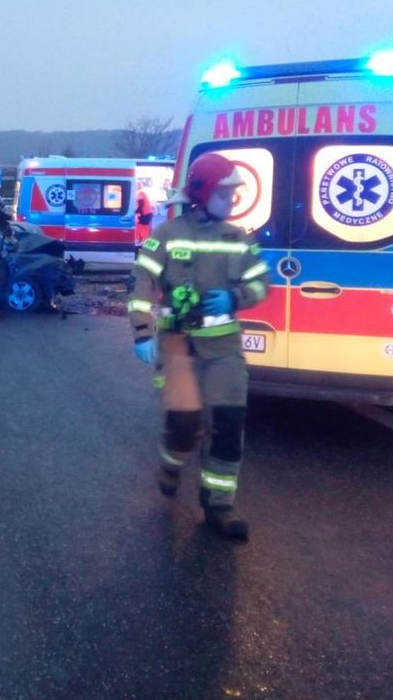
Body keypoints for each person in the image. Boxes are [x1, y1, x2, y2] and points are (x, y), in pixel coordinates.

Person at [127, 152, 270, 540]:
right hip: (179, 347)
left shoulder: (239, 239)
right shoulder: (168, 235)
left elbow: (262, 284)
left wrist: (236, 297)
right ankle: (171, 464)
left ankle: (218, 506)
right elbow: (141, 282)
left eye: (234, 195)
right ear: (202, 193)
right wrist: (142, 331)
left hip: (223, 349)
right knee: (185, 425)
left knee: (227, 425)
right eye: (225, 194)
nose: (232, 202)